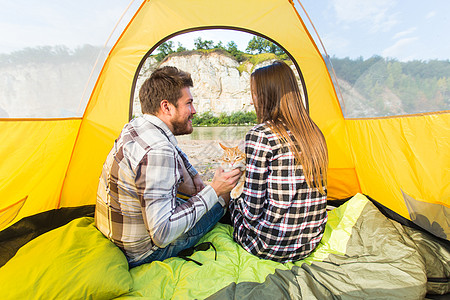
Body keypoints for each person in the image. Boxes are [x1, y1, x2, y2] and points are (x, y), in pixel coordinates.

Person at [95, 66, 241, 268]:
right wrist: (215, 190)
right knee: (223, 196)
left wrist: (197, 178)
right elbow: (162, 234)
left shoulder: (137, 126)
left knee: (202, 190)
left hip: (120, 236)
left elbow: (174, 150)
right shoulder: (158, 151)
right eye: (188, 103)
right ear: (166, 107)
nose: (194, 110)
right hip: (143, 252)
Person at [229, 61, 328, 263]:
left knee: (229, 202)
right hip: (309, 242)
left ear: (267, 96)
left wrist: (232, 199)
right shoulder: (315, 133)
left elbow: (251, 211)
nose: (251, 101)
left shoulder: (261, 135)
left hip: (270, 245)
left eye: (254, 94)